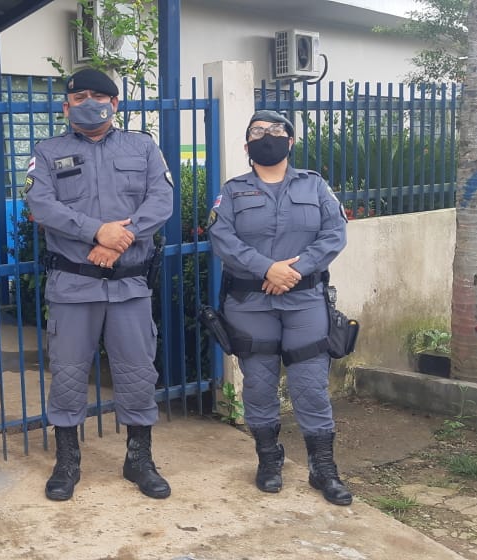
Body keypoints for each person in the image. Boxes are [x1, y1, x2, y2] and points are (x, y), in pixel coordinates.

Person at [24, 68, 175, 501]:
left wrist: (119, 238)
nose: (90, 101)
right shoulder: (48, 151)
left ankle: (139, 458)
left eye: (99, 95)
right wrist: (96, 232)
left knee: (137, 372)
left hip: (129, 285)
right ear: (66, 104)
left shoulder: (142, 146)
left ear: (116, 103)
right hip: (73, 285)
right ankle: (67, 462)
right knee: (68, 374)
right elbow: (40, 203)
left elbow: (161, 200)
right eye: (80, 95)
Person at [206, 110, 352, 505]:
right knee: (258, 384)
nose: (267, 136)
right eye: (258, 131)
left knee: (310, 387)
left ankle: (323, 468)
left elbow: (335, 233)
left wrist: (296, 270)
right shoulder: (233, 191)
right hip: (250, 303)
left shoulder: (315, 185)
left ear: (290, 142)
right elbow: (223, 238)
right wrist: (267, 268)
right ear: (246, 145)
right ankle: (269, 459)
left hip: (304, 301)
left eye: (276, 131)